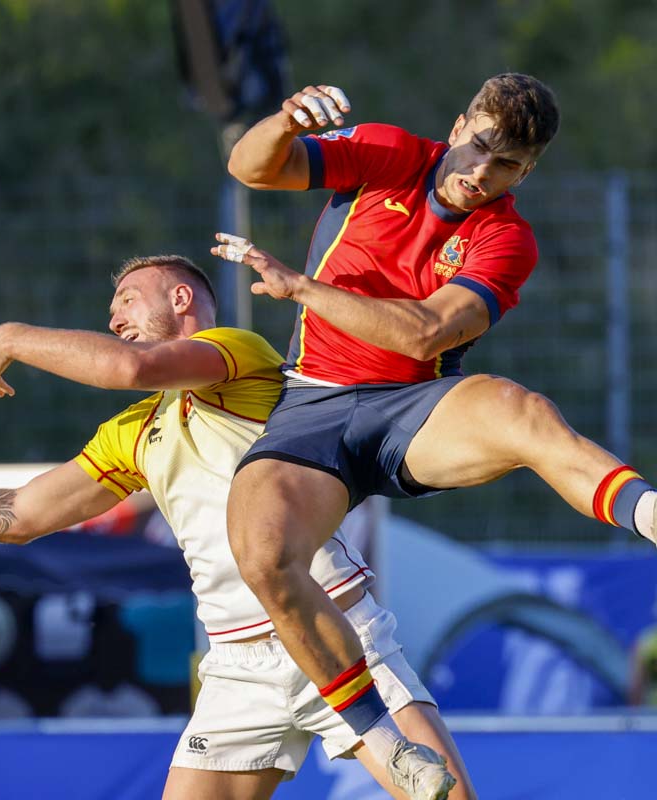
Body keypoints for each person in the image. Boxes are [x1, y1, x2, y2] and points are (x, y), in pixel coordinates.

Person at [0, 255, 474, 800]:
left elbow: (130, 368)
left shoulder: (235, 354)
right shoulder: (135, 433)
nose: (114, 318)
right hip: (237, 665)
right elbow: (20, 516)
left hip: (333, 627)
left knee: (448, 798)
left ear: (181, 298)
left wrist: (12, 336)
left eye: (127, 300)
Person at [211, 73, 656, 799]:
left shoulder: (507, 238)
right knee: (262, 552)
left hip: (413, 407)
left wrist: (303, 289)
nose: (482, 172)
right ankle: (390, 747)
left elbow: (425, 335)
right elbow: (251, 167)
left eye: (507, 165)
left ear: (527, 173)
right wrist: (286, 122)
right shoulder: (387, 152)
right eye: (479, 147)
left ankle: (651, 514)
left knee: (522, 411)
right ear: (456, 127)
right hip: (314, 401)